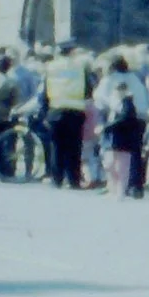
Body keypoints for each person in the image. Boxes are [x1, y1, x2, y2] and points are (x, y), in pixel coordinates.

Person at [94, 51, 149, 199]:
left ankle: (116, 186)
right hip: (139, 118)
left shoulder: (110, 80)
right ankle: (136, 186)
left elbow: (100, 100)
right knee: (135, 153)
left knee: (116, 154)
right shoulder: (135, 78)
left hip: (120, 118)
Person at [42, 43, 93, 188]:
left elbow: (45, 92)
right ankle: (73, 180)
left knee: (56, 146)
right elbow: (88, 90)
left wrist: (45, 112)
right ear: (72, 52)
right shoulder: (80, 66)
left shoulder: (51, 67)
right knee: (74, 147)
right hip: (76, 110)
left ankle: (56, 179)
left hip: (56, 110)